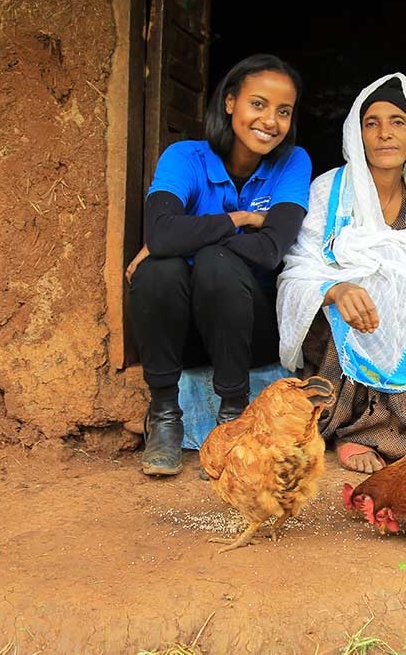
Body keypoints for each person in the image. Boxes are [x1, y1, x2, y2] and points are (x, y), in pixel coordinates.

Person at [276, 72, 406, 474]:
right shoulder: (329, 189)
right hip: (341, 322)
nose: (385, 134)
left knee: (403, 287)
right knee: (375, 288)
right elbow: (299, 265)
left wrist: (402, 282)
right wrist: (335, 287)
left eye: (397, 122)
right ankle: (354, 432)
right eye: (372, 123)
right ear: (358, 134)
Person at [125, 53, 312, 476]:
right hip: (183, 331)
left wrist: (184, 237)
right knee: (158, 269)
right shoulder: (184, 158)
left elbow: (270, 251)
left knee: (216, 261)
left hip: (251, 331)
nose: (270, 121)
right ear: (230, 103)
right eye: (258, 104)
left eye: (283, 111)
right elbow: (160, 235)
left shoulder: (292, 162)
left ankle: (233, 417)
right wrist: (241, 220)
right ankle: (166, 416)